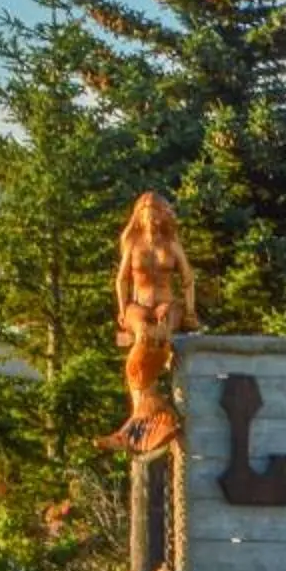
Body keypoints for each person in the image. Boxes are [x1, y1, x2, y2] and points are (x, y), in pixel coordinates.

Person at [101, 191, 196, 454]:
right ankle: (153, 415)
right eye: (146, 213)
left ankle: (136, 425)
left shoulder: (171, 245)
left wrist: (189, 311)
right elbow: (122, 279)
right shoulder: (133, 245)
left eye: (156, 213)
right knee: (144, 333)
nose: (151, 218)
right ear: (139, 217)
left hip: (166, 303)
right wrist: (122, 310)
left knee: (162, 331)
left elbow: (188, 278)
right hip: (137, 305)